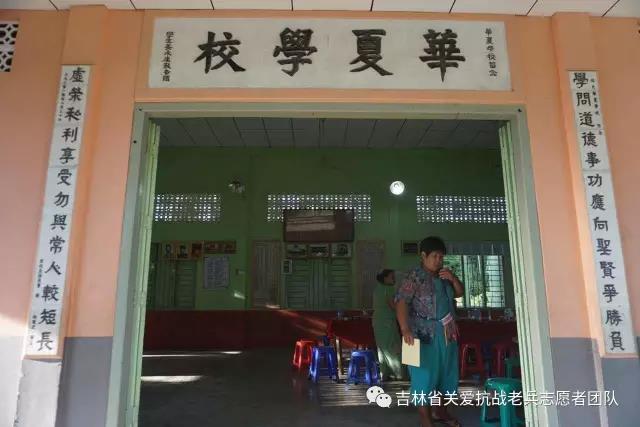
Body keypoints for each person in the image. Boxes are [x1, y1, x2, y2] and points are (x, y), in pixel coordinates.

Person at [396, 236, 464, 427]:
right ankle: (426, 419)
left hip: (446, 333)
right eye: (434, 256)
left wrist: (453, 278)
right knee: (422, 377)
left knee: (446, 373)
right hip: (417, 335)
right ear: (423, 256)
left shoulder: (443, 276)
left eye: (441, 257)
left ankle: (441, 411)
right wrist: (405, 329)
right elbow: (401, 302)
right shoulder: (413, 277)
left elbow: (459, 293)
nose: (438, 261)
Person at [372, 269, 404, 381]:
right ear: (385, 278)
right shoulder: (388, 289)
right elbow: (393, 306)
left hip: (377, 321)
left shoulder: (377, 289)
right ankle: (398, 374)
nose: (394, 279)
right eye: (392, 277)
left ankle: (384, 373)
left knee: (382, 348)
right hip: (387, 322)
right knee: (392, 347)